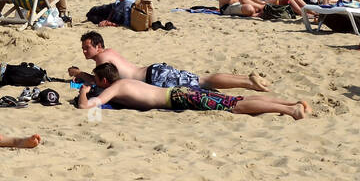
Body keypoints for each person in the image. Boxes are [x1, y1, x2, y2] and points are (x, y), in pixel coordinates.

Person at [78, 62, 309, 119]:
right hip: (178, 92)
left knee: (234, 106)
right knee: (236, 99)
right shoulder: (124, 83)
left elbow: (87, 107)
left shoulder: (114, 89)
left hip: (179, 97)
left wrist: (85, 91)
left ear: (105, 81)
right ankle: (289, 103)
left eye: (98, 82)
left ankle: (292, 111)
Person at [70, 31, 270, 92]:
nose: (84, 51)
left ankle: (247, 82)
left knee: (204, 82)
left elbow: (104, 83)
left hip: (154, 79)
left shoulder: (102, 59)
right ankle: (245, 78)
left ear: (98, 46)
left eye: (87, 47)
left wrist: (80, 75)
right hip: (155, 71)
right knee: (202, 79)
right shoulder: (110, 52)